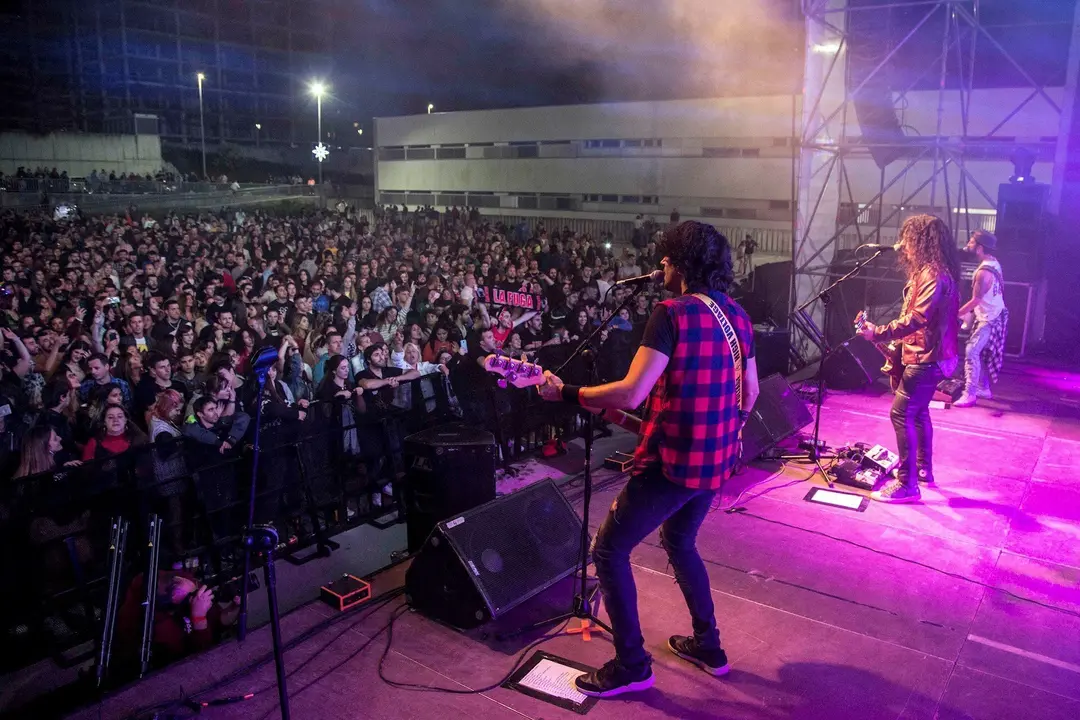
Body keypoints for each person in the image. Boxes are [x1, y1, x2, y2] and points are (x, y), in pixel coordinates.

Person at [538, 221, 759, 698]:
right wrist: (719, 428)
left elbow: (633, 391)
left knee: (609, 550)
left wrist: (567, 393)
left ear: (680, 264)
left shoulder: (671, 313)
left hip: (673, 464)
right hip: (716, 462)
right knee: (680, 541)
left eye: (665, 258)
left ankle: (633, 664)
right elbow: (751, 393)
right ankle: (708, 645)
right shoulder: (737, 314)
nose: (659, 265)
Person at [856, 214, 960, 501]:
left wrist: (879, 332)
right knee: (918, 412)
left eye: (908, 239)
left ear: (921, 241)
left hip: (927, 358)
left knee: (901, 412)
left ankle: (907, 485)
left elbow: (917, 318)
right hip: (930, 355)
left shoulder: (932, 274)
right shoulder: (932, 271)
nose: (903, 245)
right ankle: (922, 470)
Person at [954, 230, 1007, 408]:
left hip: (989, 319)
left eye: (971, 242)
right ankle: (983, 387)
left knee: (971, 351)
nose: (968, 244)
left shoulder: (982, 273)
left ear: (979, 248)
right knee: (981, 353)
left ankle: (969, 393)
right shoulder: (994, 263)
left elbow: (975, 300)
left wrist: (955, 313)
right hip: (994, 314)